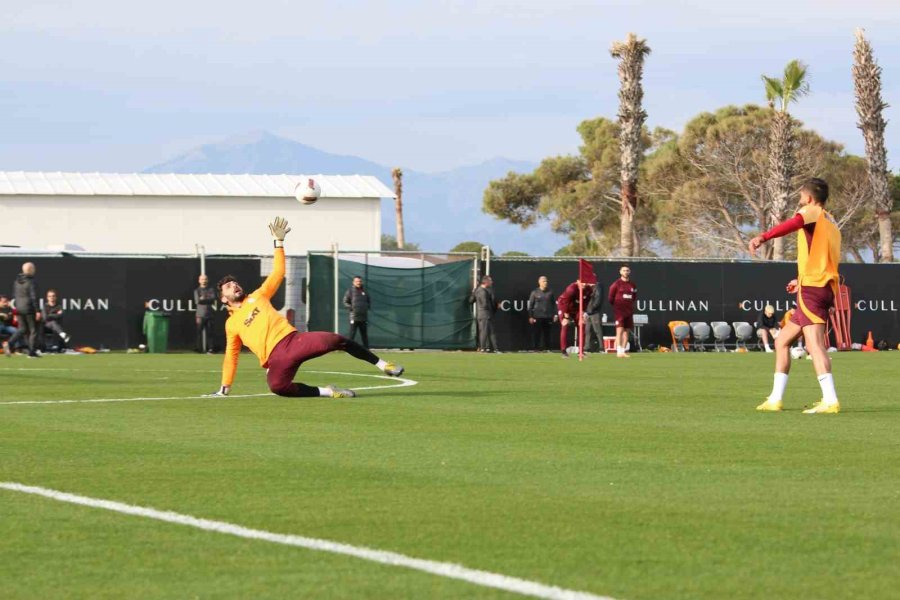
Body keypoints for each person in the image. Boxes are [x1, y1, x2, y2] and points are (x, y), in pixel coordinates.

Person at [206, 217, 404, 399]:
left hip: (293, 342)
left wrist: (278, 242)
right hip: (276, 359)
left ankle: (384, 365)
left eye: (235, 283)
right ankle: (329, 392)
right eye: (228, 286)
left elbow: (278, 271)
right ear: (223, 299)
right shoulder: (232, 324)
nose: (234, 285)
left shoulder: (258, 296)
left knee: (336, 340)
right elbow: (231, 356)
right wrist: (225, 388)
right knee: (277, 387)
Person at [749, 178, 841, 414]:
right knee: (781, 341)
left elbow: (794, 223)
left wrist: (763, 237)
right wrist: (799, 281)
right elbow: (821, 259)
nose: (800, 201)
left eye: (801, 196)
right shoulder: (830, 221)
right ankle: (775, 399)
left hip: (813, 288)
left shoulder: (811, 211)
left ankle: (830, 400)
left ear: (809, 198)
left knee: (814, 345)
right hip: (816, 286)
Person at [9, 262, 42, 358]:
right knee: (33, 330)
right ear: (31, 270)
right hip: (29, 308)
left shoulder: (16, 281)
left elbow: (14, 296)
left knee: (22, 329)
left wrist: (15, 309)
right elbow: (34, 297)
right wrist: (37, 310)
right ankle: (32, 352)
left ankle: (9, 343)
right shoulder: (31, 282)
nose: (35, 270)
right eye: (34, 268)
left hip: (19, 308)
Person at [556, 280, 594, 358]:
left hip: (577, 308)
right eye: (582, 282)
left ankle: (581, 351)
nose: (584, 284)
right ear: (578, 281)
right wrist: (565, 317)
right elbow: (565, 302)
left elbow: (586, 302)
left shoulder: (589, 290)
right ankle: (564, 351)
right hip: (564, 306)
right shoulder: (572, 289)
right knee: (565, 325)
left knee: (582, 324)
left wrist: (582, 313)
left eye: (586, 283)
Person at [608, 265, 637, 358]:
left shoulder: (632, 285)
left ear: (630, 272)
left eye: (627, 270)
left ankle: (623, 351)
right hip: (619, 311)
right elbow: (610, 298)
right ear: (620, 272)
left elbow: (634, 297)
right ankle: (619, 351)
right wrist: (618, 306)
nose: (626, 272)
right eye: (624, 270)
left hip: (629, 311)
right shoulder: (616, 284)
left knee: (626, 332)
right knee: (619, 330)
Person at [469, 275, 499, 352]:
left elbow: (471, 300)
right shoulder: (483, 291)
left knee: (488, 331)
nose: (492, 282)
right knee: (485, 332)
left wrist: (473, 293)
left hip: (481, 314)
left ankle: (493, 348)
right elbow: (485, 304)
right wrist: (493, 308)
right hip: (485, 314)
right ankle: (484, 348)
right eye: (490, 281)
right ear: (486, 282)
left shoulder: (477, 290)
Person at [526, 276, 556, 351]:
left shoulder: (550, 292)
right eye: (544, 281)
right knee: (537, 333)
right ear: (539, 282)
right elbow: (530, 306)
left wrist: (555, 314)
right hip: (537, 316)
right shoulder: (534, 292)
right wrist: (530, 316)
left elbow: (554, 304)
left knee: (547, 334)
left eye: (546, 281)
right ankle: (536, 348)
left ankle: (548, 349)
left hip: (548, 316)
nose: (545, 283)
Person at [343, 275, 371, 348]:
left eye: (360, 281)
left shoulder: (364, 291)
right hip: (354, 316)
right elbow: (345, 302)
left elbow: (368, 301)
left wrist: (366, 307)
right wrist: (352, 308)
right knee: (352, 334)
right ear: (353, 282)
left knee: (364, 334)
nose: (358, 283)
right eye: (357, 281)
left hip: (363, 317)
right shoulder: (350, 291)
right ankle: (349, 348)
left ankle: (366, 349)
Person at [194, 274, 216, 353]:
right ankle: (198, 349)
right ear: (199, 280)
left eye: (205, 279)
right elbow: (197, 301)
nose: (204, 281)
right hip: (200, 315)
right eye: (202, 279)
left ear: (207, 280)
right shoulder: (197, 290)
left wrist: (203, 298)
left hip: (210, 314)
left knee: (210, 333)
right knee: (198, 333)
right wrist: (206, 299)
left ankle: (210, 349)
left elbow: (213, 299)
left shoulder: (211, 290)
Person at [584, 281, 605, 353]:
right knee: (587, 330)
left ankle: (601, 348)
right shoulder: (587, 287)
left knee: (597, 330)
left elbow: (598, 300)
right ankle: (586, 348)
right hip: (588, 312)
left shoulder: (597, 286)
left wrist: (591, 309)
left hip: (595, 312)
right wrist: (586, 311)